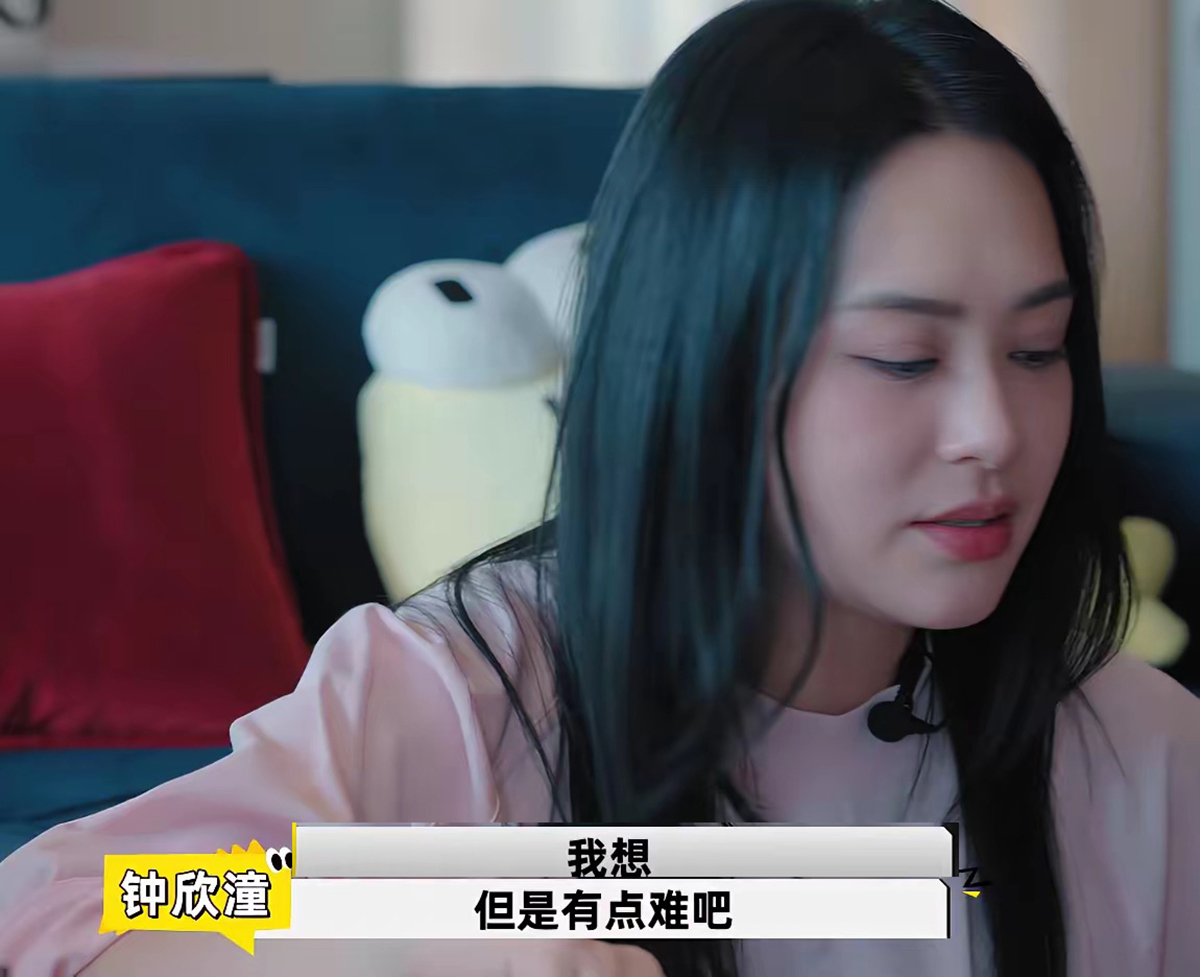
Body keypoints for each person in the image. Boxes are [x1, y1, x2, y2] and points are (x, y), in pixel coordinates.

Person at [2, 0, 1198, 975]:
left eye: (1037, 348)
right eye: (905, 357)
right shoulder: (461, 698)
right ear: (704, 357)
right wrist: (403, 934)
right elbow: (75, 904)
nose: (996, 430)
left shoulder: (1137, 752)